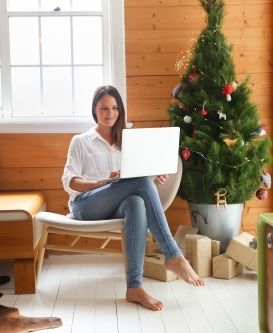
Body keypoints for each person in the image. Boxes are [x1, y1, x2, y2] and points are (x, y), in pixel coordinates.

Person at [62, 85, 205, 311]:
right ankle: (172, 254)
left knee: (137, 201)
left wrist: (152, 179)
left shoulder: (128, 142)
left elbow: (135, 182)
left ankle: (134, 287)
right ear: (94, 110)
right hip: (86, 204)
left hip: (118, 203)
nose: (110, 113)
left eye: (115, 108)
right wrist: (102, 182)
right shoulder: (80, 141)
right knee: (140, 184)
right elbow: (69, 182)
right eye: (104, 108)